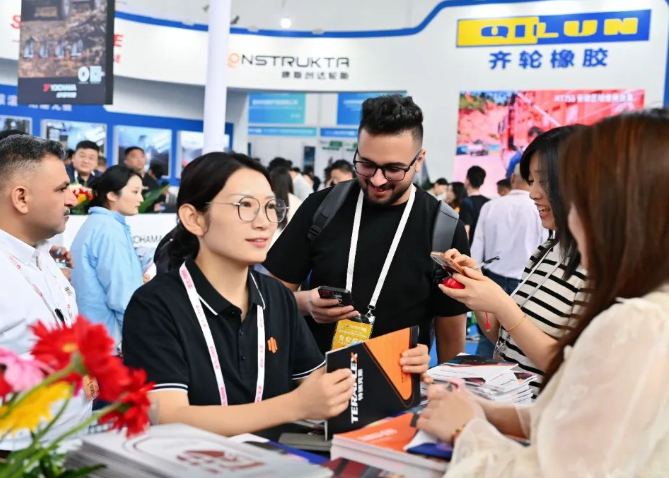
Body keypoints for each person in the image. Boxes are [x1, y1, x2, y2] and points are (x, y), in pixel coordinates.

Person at [417, 109, 669, 478]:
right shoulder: (554, 252)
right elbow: (583, 418)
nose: (534, 193)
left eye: (580, 194)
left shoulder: (639, 322)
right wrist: (483, 412)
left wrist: (466, 430)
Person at [122, 152, 430, 436]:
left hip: (272, 462)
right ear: (194, 218)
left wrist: (393, 370)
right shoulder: (155, 305)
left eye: (270, 207)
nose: (264, 222)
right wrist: (294, 406)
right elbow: (169, 417)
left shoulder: (276, 297)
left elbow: (321, 386)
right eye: (244, 206)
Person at [265, 94, 470, 361]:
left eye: (394, 169)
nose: (377, 180)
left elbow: (451, 340)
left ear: (419, 160)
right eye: (367, 164)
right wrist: (305, 303)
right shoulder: (322, 207)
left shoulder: (443, 228)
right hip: (316, 378)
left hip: (398, 382)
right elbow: (269, 297)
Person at [437, 126, 586, 397]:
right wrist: (478, 286)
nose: (533, 193)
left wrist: (502, 304)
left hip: (544, 414)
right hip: (512, 404)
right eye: (532, 181)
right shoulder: (548, 250)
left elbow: (573, 369)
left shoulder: (601, 268)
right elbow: (504, 338)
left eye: (545, 181)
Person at [0, 135, 90, 449]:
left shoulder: (42, 253)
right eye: (62, 189)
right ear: (21, 198)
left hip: (64, 448)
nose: (73, 200)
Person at [470, 163, 548, 357]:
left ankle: (481, 374)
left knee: (487, 338)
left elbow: (476, 250)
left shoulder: (490, 206)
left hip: (491, 280)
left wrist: (473, 279)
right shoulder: (539, 210)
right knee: (521, 342)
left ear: (512, 179)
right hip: (525, 283)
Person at [70, 166, 145, 346]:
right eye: (135, 192)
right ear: (111, 195)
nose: (141, 199)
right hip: (110, 339)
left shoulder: (101, 224)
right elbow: (121, 294)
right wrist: (137, 338)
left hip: (95, 335)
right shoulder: (109, 230)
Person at [269, 166, 302, 247]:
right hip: (290, 246)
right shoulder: (298, 202)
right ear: (289, 181)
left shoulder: (266, 199)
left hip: (268, 244)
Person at [460, 166, 489, 243]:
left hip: (473, 246)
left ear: (468, 180)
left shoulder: (466, 202)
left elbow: (465, 231)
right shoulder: (489, 203)